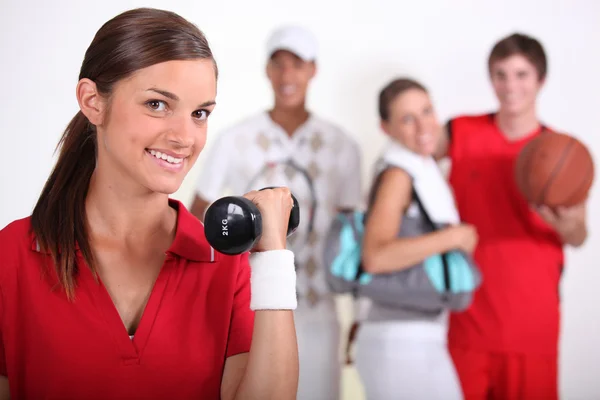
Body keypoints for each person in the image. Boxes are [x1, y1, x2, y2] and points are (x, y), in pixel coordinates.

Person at [0, 8, 300, 400]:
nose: (184, 137)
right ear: (92, 102)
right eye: (157, 105)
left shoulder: (226, 263)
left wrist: (273, 257)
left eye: (199, 113)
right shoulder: (13, 255)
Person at [191, 25, 363, 399]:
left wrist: (362, 312)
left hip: (317, 307)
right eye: (278, 64)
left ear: (312, 70)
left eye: (297, 64)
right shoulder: (235, 139)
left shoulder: (341, 145)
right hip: (251, 305)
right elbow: (198, 215)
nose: (287, 75)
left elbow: (354, 237)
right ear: (267, 70)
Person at [435, 33, 589, 400]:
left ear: (541, 80)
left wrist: (561, 221)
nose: (510, 86)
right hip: (467, 318)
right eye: (500, 74)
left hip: (532, 323)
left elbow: (579, 234)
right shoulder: (459, 131)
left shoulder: (564, 153)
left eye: (521, 74)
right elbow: (410, 152)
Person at [353, 78, 476, 399]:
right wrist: (453, 238)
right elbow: (375, 257)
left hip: (419, 337)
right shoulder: (398, 175)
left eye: (427, 111)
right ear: (386, 127)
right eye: (408, 118)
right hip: (398, 342)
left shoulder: (422, 168)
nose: (424, 125)